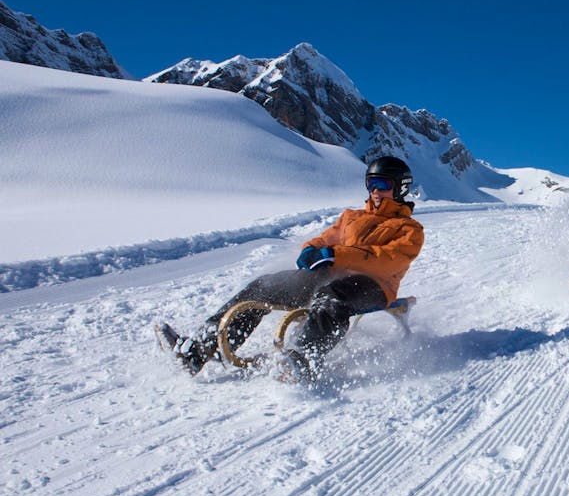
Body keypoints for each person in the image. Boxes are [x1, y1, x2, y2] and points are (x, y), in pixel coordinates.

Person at [155, 156, 424, 381]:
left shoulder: (409, 229)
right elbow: (326, 239)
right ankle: (197, 351)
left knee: (332, 297)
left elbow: (387, 259)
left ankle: (303, 359)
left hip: (373, 287)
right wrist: (312, 249)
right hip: (331, 274)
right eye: (371, 184)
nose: (375, 191)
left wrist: (335, 255)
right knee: (263, 287)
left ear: (400, 188)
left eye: (383, 185)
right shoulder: (351, 217)